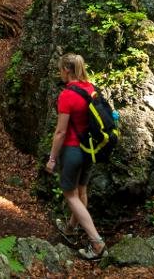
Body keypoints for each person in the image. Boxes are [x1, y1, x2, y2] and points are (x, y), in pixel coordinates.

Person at [45, 53, 106, 260]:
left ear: (67, 70)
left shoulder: (67, 95)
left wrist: (52, 158)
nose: (59, 73)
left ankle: (97, 243)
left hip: (72, 151)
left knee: (70, 195)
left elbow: (61, 132)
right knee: (82, 190)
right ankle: (71, 228)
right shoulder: (91, 88)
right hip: (89, 150)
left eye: (60, 69)